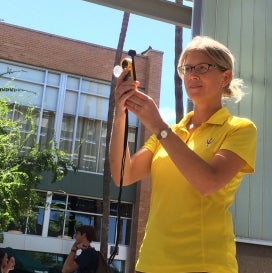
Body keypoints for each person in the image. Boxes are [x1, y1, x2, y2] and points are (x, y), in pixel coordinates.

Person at [110, 35, 257, 273]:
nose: (193, 75)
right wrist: (121, 114)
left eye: (202, 67)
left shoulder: (239, 129)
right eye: (187, 69)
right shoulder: (171, 133)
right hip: (150, 264)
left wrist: (159, 127)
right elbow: (123, 175)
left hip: (203, 265)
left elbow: (208, 182)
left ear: (225, 77)